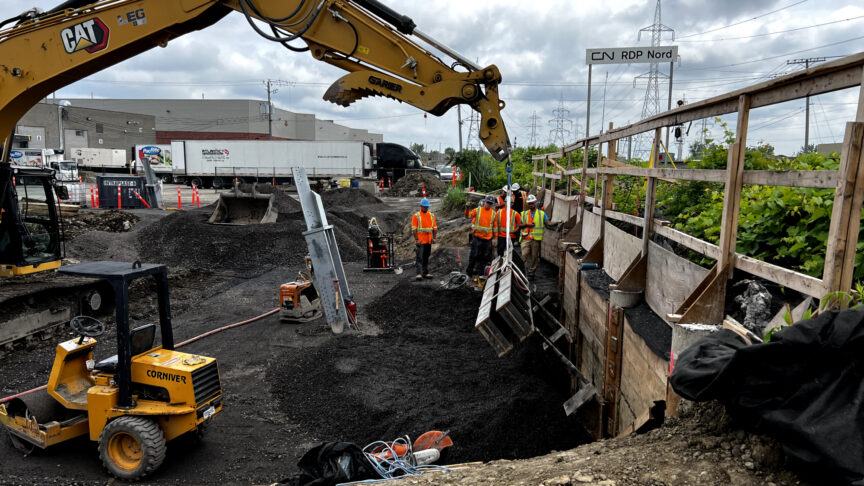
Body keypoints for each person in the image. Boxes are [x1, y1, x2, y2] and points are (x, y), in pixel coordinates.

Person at [464, 195, 497, 277]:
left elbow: (495, 227)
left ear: (492, 204)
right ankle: (469, 272)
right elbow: (467, 216)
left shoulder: (493, 214)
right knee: (474, 255)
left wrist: (495, 238)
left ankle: (481, 273)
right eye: (488, 203)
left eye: (490, 203)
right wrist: (467, 208)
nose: (488, 204)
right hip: (477, 237)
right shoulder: (478, 210)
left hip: (487, 239)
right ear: (484, 202)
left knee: (485, 257)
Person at [520, 194, 549, 279]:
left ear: (535, 203)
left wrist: (558, 222)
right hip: (525, 238)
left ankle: (531, 273)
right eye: (529, 204)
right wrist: (526, 224)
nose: (531, 205)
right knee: (524, 255)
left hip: (535, 239)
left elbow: (548, 223)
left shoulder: (541, 214)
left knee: (534, 257)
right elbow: (519, 225)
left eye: (532, 203)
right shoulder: (524, 214)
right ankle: (523, 272)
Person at [411, 197, 437, 280]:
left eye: (427, 207)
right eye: (425, 206)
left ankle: (425, 272)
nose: (426, 208)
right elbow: (414, 229)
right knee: (419, 257)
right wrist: (417, 239)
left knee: (426, 257)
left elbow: (434, 228)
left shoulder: (432, 216)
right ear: (421, 206)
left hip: (428, 241)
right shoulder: (416, 216)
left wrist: (434, 238)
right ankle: (419, 273)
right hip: (420, 241)